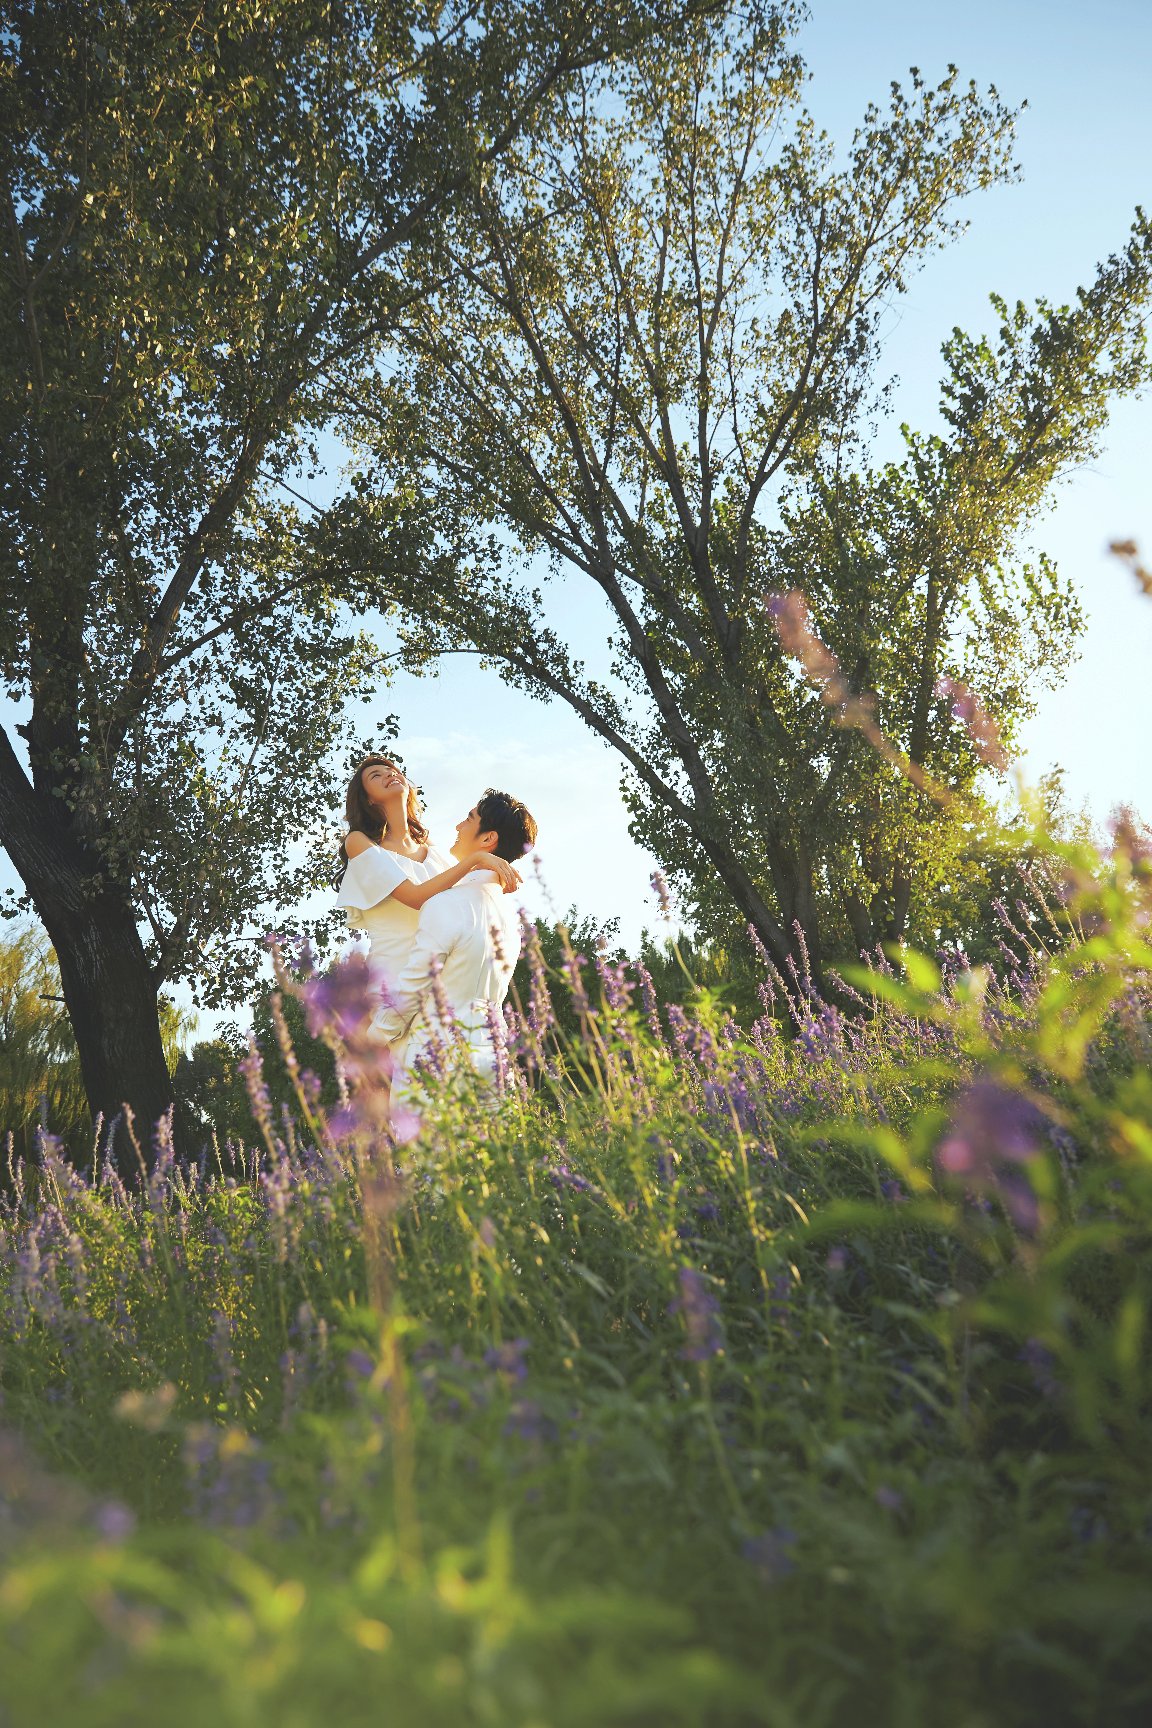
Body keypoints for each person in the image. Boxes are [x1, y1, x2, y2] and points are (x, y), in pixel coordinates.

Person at [373, 789, 537, 1101]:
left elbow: (413, 989)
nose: (458, 827)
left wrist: (374, 1036)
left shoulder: (446, 904)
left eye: (468, 819)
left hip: (438, 1064)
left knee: (427, 1151)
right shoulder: (511, 921)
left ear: (488, 839)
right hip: (495, 1060)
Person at [335, 756, 521, 1014]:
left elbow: (457, 895)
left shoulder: (430, 846)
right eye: (375, 776)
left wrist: (495, 870)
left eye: (391, 770)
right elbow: (415, 897)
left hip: (440, 987)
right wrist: (476, 859)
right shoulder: (359, 842)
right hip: (394, 988)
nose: (389, 774)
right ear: (369, 799)